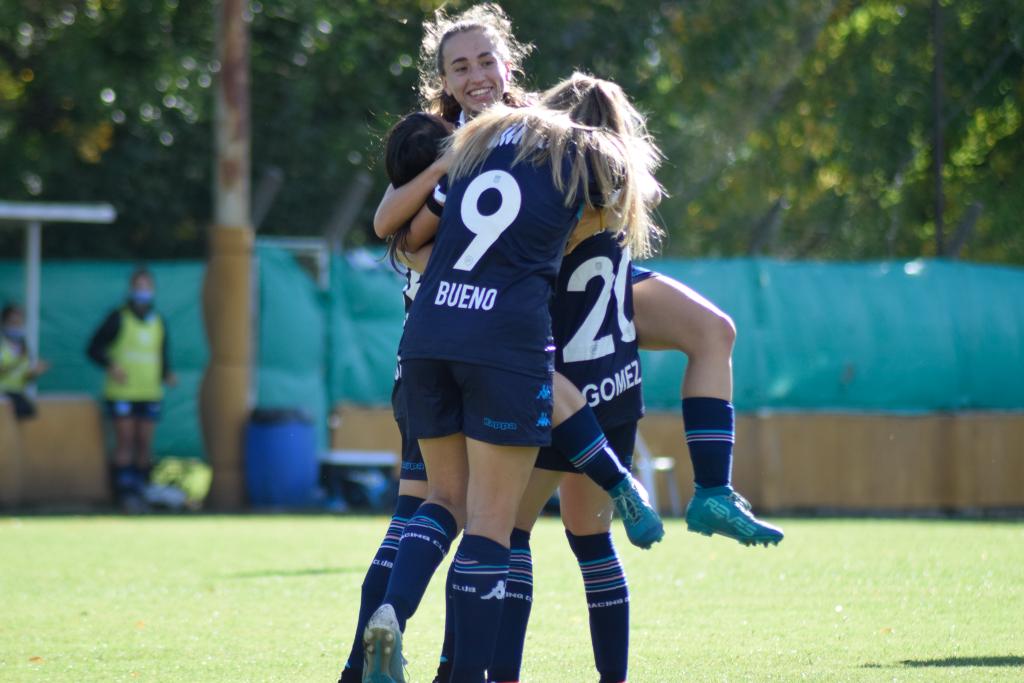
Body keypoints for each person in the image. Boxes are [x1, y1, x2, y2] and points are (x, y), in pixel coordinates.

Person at [377, 1, 782, 549]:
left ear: (509, 63)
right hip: (473, 317)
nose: (476, 76)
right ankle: (613, 483)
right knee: (459, 513)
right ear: (443, 79)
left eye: (485, 61)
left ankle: (711, 490)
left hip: (578, 275)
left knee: (714, 330)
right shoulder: (439, 135)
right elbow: (392, 230)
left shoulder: (538, 119)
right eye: (461, 67)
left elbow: (626, 192)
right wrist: (446, 166)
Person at [337, 108, 661, 683]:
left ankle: (394, 609)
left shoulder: (472, 152)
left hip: (428, 337)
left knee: (443, 499)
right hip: (504, 343)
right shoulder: (572, 152)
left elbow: (402, 233)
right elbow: (611, 202)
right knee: (491, 523)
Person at [86, 267, 177, 509]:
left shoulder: (158, 321)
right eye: (139, 286)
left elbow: (162, 354)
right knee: (125, 440)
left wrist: (167, 373)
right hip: (122, 392)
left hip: (150, 391)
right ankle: (124, 492)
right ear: (130, 288)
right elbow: (93, 348)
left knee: (144, 442)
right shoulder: (118, 317)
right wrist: (111, 365)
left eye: (147, 286)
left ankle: (143, 489)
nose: (143, 291)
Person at [0, 303, 50, 420]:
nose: (17, 324)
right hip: (3, 394)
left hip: (16, 392)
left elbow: (24, 377)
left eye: (19, 321)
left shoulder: (24, 345)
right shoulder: (3, 343)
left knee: (29, 412)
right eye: (13, 320)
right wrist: (16, 362)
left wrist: (34, 372)